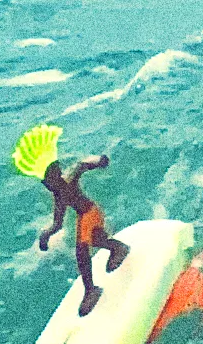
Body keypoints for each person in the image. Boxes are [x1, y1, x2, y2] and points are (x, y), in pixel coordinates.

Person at [11, 123, 130, 315]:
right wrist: (46, 235)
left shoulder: (68, 180)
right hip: (84, 217)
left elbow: (81, 166)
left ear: (56, 172)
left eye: (49, 179)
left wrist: (99, 162)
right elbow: (57, 223)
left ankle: (92, 288)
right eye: (45, 182)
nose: (47, 184)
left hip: (91, 212)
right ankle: (116, 250)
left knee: (83, 252)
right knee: (94, 243)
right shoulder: (59, 196)